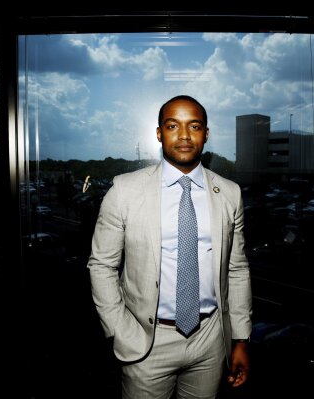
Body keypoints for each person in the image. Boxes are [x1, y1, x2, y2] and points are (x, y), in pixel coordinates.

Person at [88, 95, 252, 398]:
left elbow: (237, 269)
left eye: (195, 126)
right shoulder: (124, 190)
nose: (185, 136)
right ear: (159, 133)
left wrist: (240, 339)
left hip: (211, 342)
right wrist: (119, 330)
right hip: (146, 342)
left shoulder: (230, 193)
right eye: (173, 125)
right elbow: (102, 266)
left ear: (206, 134)